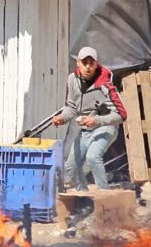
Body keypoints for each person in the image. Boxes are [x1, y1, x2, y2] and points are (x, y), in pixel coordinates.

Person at [53, 47, 127, 190]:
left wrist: (97, 120)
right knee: (71, 166)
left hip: (105, 127)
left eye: (91, 63)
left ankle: (103, 195)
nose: (88, 67)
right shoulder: (72, 80)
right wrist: (61, 118)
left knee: (93, 157)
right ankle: (83, 197)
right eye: (84, 62)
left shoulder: (105, 85)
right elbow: (71, 108)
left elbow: (122, 114)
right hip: (86, 129)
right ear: (78, 63)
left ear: (96, 64)